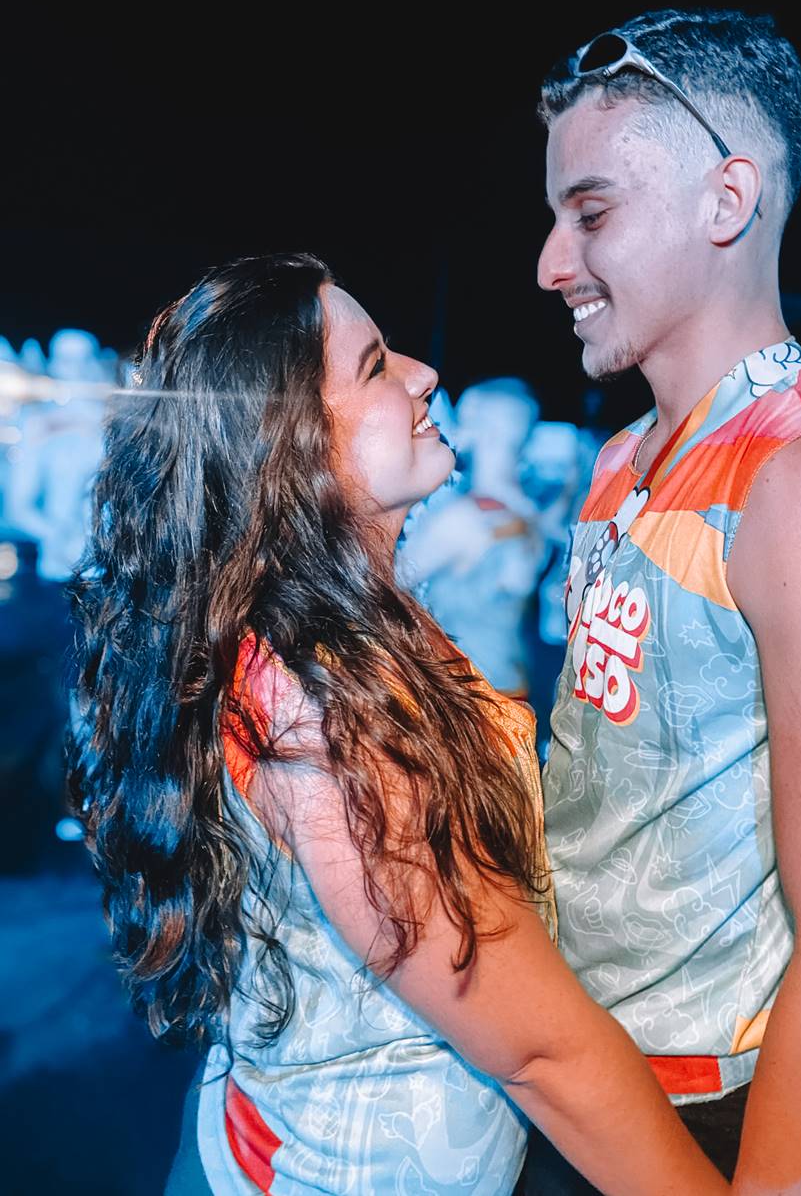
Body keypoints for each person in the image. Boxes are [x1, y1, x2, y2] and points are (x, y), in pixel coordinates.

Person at [67, 254, 732, 1195]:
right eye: (376, 365)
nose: (423, 374)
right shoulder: (323, 723)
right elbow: (540, 1053)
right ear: (292, 442)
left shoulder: (333, 618)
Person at [530, 10, 801, 1193]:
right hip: (573, 1082)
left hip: (705, 1119)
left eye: (590, 214)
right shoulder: (623, 458)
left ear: (726, 200)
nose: (550, 263)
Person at [401, 377, 545, 698]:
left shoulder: (463, 519)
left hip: (466, 694)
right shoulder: (527, 513)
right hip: (512, 686)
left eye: (464, 419)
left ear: (486, 432)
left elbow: (383, 584)